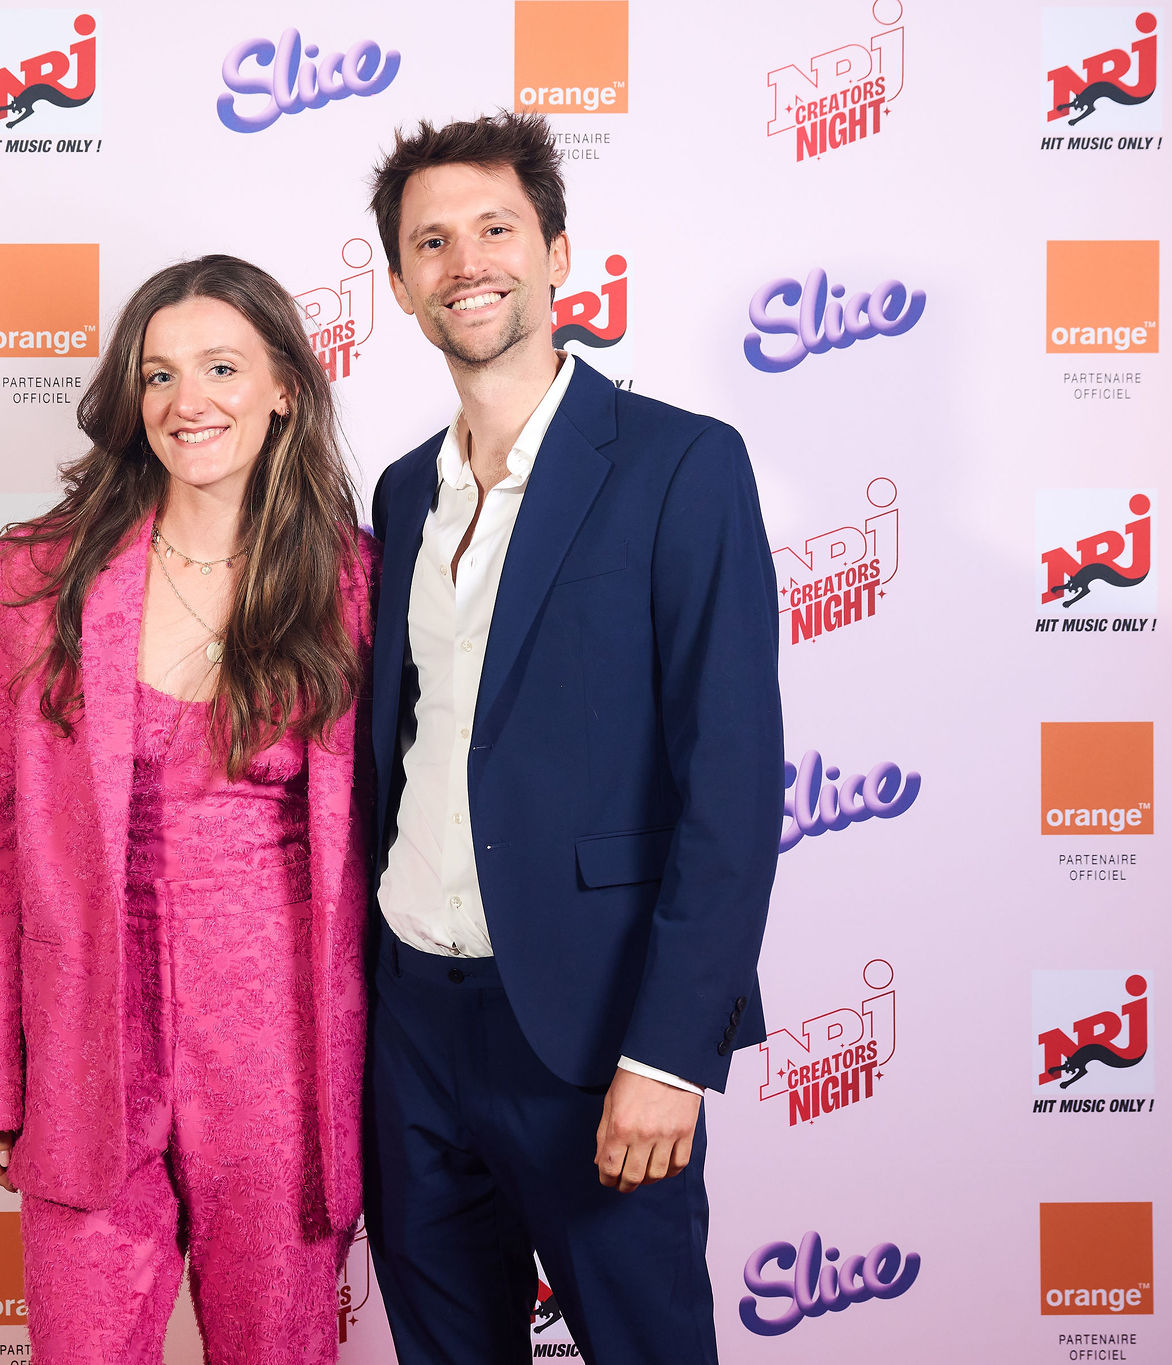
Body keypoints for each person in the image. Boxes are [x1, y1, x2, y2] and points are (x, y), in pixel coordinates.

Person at [361, 113, 784, 1363]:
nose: (464, 262)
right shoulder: (398, 492)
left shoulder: (681, 466)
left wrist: (669, 1054)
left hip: (592, 1029)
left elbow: (730, 785)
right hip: (408, 1021)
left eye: (494, 229)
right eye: (429, 242)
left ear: (554, 253)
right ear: (399, 287)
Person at [0, 255, 376, 1364]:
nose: (190, 400)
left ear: (284, 388)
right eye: (159, 373)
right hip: (85, 1034)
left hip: (282, 1036)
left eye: (222, 367)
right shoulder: (35, 578)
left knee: (279, 1346)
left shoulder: (354, 581)